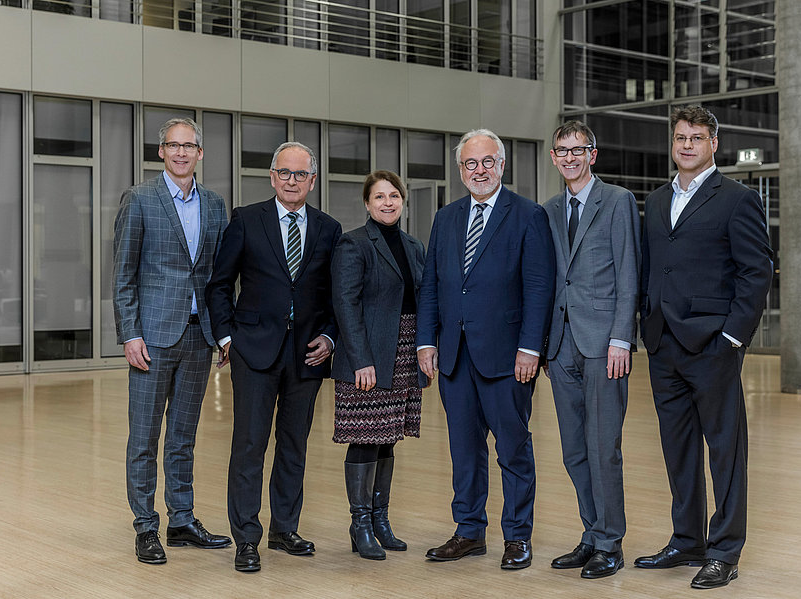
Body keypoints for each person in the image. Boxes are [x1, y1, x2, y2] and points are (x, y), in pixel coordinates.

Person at [635, 105, 773, 589]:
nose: (687, 145)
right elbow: (650, 267)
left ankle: (725, 550)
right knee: (677, 450)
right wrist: (644, 324)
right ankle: (686, 540)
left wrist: (732, 337)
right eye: (680, 137)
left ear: (714, 143)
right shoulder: (654, 201)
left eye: (696, 137)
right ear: (671, 144)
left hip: (713, 344)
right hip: (663, 344)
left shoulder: (737, 199)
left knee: (725, 452)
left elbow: (757, 271)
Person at [417, 129, 554, 571]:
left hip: (507, 356)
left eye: (487, 162)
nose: (479, 170)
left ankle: (517, 536)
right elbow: (432, 286)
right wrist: (426, 340)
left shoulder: (528, 215)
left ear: (502, 164)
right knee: (464, 449)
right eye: (470, 164)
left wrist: (531, 348)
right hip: (454, 355)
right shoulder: (446, 217)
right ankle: (469, 531)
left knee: (513, 449)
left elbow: (538, 288)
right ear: (460, 170)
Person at [205, 141, 342, 573]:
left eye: (300, 174)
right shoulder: (247, 219)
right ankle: (246, 537)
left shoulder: (328, 228)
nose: (291, 181)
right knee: (249, 445)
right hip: (254, 351)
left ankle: (285, 528)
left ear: (313, 181)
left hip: (307, 355)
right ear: (271, 176)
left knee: (294, 445)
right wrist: (227, 338)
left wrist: (330, 337)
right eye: (284, 172)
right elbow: (219, 285)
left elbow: (337, 296)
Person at [113, 117, 232, 564]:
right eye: (172, 145)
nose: (181, 153)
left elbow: (221, 279)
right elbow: (122, 275)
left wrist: (223, 334)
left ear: (201, 153)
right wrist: (130, 333)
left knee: (183, 437)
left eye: (189, 146)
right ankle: (146, 526)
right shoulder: (140, 199)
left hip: (199, 338)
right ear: (160, 151)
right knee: (144, 436)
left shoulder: (216, 205)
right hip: (153, 339)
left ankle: (181, 519)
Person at [542, 120, 640, 579]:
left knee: (604, 448)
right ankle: (590, 532)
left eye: (578, 149)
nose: (570, 157)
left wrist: (622, 337)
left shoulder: (618, 201)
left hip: (604, 345)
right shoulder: (548, 210)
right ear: (554, 158)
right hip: (560, 346)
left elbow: (629, 274)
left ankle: (610, 542)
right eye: (562, 151)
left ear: (592, 154)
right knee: (573, 450)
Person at [330, 170, 427, 561]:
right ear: (367, 204)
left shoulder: (413, 245)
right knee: (364, 436)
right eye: (379, 197)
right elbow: (345, 306)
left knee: (388, 436)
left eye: (394, 196)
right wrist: (361, 360)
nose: (387, 203)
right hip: (368, 355)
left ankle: (381, 519)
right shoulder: (352, 244)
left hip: (403, 351)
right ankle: (360, 524)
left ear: (403, 201)